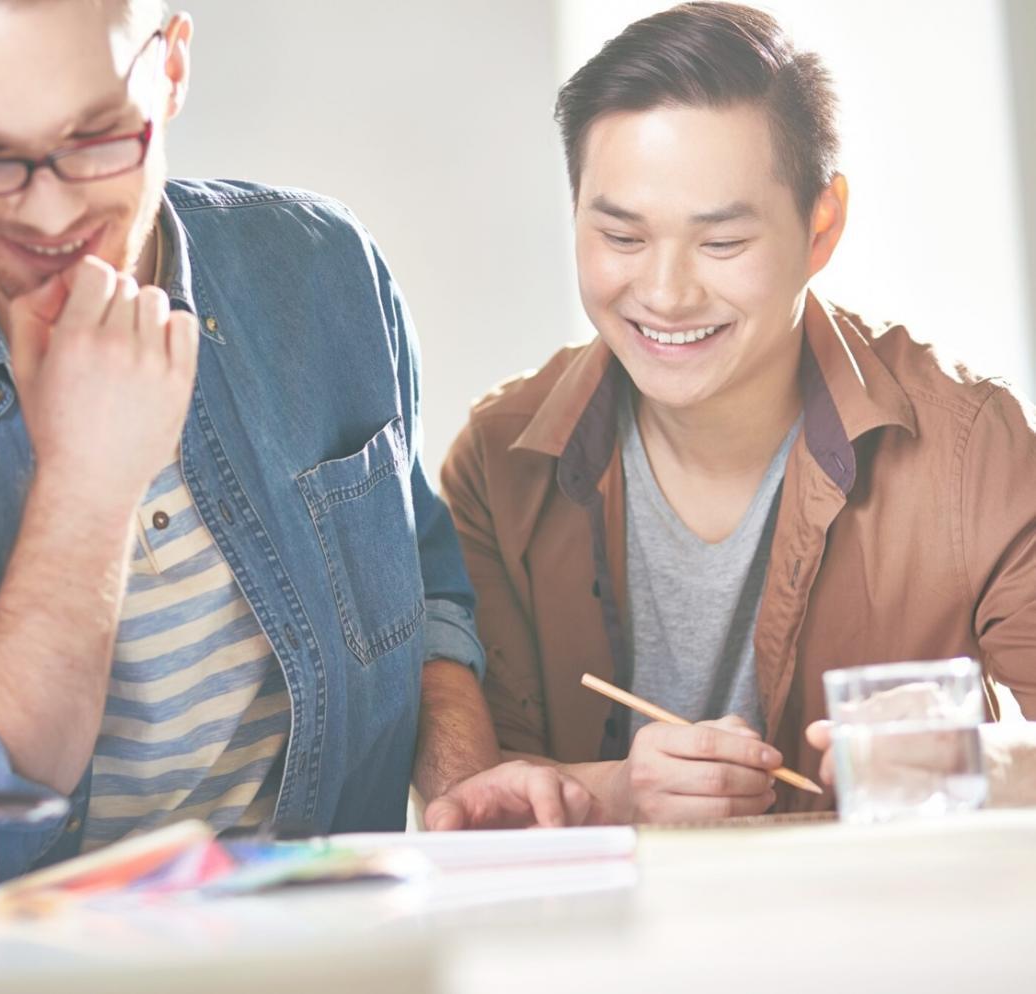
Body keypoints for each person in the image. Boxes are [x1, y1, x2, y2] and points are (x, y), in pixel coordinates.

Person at [0, 0, 586, 879]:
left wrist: (462, 782)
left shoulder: (325, 269)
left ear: (170, 68)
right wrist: (86, 486)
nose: (49, 212)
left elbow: (427, 595)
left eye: (96, 138)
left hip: (339, 947)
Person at [441, 1, 1036, 824]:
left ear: (820, 225)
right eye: (621, 237)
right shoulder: (498, 462)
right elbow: (473, 787)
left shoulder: (974, 452)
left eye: (721, 244)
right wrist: (619, 790)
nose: (665, 294)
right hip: (597, 950)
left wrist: (955, 760)